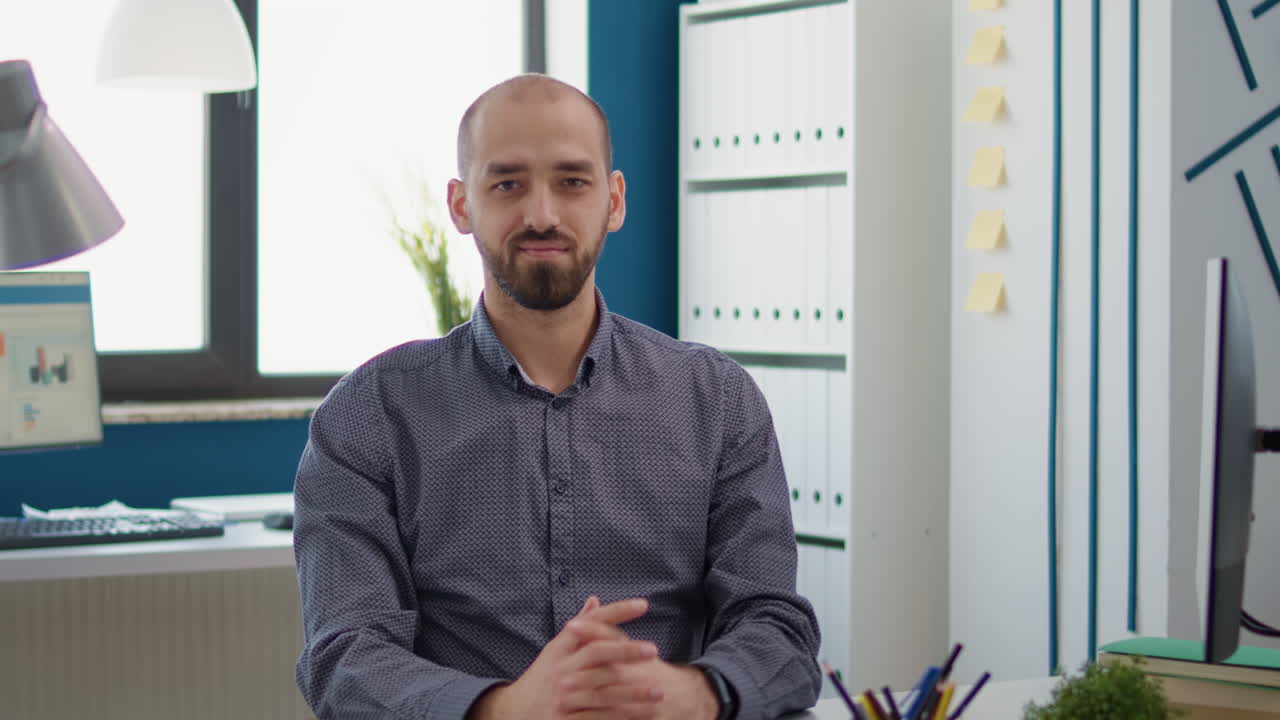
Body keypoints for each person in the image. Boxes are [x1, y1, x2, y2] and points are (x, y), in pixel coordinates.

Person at [292, 74, 821, 720]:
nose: (541, 214)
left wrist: (684, 695)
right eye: (507, 183)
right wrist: (509, 707)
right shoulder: (367, 417)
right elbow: (345, 658)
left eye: (572, 181)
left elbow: (777, 628)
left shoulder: (719, 401)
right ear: (461, 205)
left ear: (614, 200)